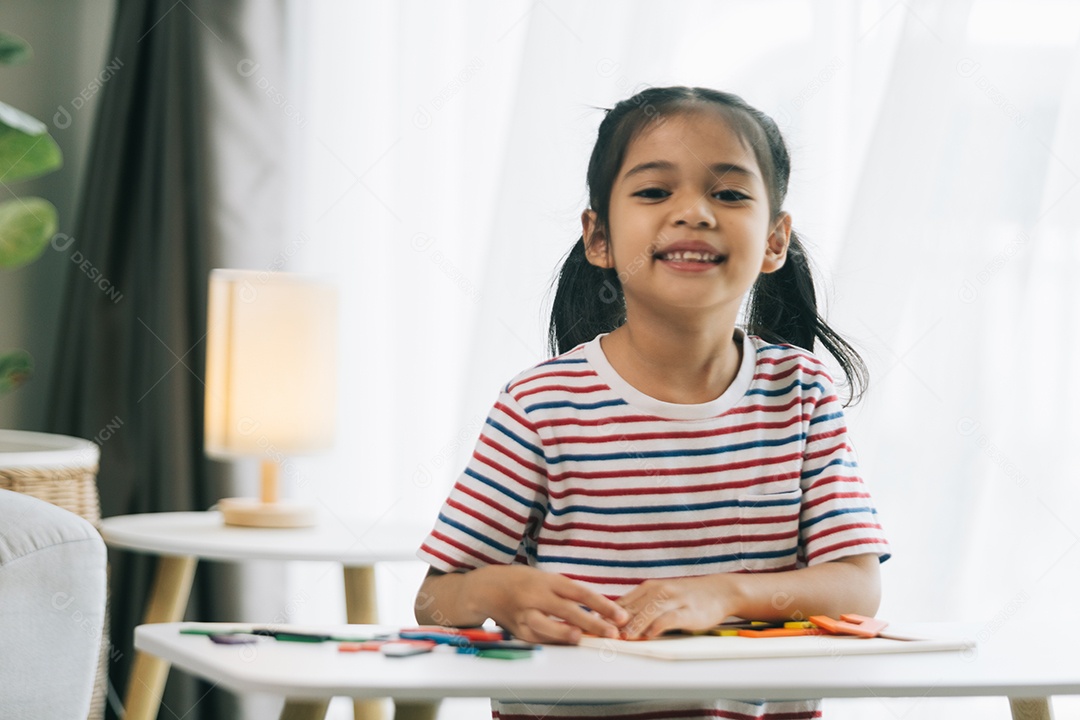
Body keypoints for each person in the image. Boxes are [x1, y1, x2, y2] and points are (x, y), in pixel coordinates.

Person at [414, 86, 890, 720]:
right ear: (599, 236)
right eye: (654, 191)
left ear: (775, 240)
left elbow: (856, 585)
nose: (693, 212)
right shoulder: (540, 405)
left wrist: (722, 595)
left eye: (728, 193)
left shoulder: (801, 394)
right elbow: (434, 602)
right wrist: (501, 590)